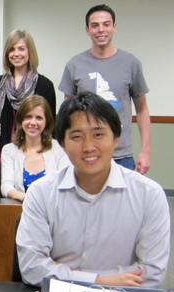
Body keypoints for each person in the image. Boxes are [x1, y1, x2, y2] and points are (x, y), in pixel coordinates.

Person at [16, 92, 170, 288]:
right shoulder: (41, 193)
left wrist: (64, 274)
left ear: (116, 139)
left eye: (98, 135)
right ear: (62, 144)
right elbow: (32, 268)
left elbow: (152, 273)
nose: (88, 147)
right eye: (77, 137)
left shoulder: (149, 195)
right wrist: (101, 281)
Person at [59, 4, 151, 174]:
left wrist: (145, 152)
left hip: (121, 155)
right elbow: (66, 113)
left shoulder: (130, 63)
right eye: (95, 25)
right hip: (84, 153)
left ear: (114, 27)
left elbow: (142, 109)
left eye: (106, 24)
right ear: (87, 30)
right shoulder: (74, 65)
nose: (101, 30)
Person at [0, 29, 56, 181]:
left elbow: (51, 127)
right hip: (4, 156)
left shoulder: (45, 85)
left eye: (21, 49)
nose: (16, 54)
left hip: (36, 158)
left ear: (30, 51)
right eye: (12, 49)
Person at [0, 95, 69, 201]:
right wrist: (27, 198)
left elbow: (65, 184)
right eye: (28, 117)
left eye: (39, 118)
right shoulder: (9, 150)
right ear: (21, 120)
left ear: (47, 122)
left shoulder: (59, 148)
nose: (33, 122)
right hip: (21, 210)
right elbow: (6, 187)